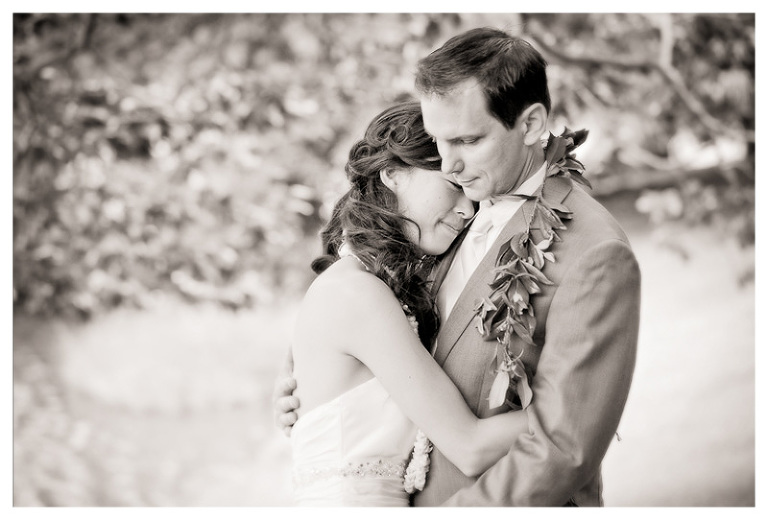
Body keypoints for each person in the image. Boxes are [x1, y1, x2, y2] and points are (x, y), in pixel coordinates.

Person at [277, 27, 641, 507]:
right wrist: (309, 390)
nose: (449, 165)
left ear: (531, 124)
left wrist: (587, 419)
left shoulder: (594, 253)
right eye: (437, 141)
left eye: (468, 140)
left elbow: (564, 447)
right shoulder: (437, 228)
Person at [287, 101, 529, 506]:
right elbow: (468, 446)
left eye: (473, 196)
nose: (468, 210)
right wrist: (577, 409)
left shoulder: (370, 286)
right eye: (454, 186)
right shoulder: (357, 293)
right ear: (393, 174)